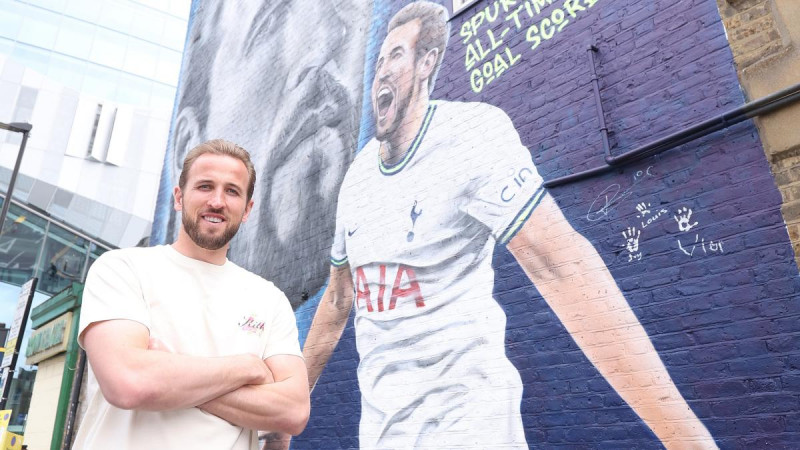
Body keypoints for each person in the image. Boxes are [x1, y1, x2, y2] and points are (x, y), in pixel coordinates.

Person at [303, 2, 717, 449]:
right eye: (380, 59)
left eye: (397, 56)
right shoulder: (357, 178)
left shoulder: (472, 135)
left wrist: (685, 439)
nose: (381, 71)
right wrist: (288, 408)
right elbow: (339, 298)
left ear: (427, 63)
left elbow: (559, 263)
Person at [75, 140, 310, 449]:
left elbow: (293, 411)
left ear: (247, 209)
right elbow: (128, 383)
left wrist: (167, 375)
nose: (217, 201)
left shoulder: (270, 300)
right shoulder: (122, 269)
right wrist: (247, 368)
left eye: (232, 191)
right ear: (178, 197)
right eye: (204, 186)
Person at [153, 0, 373, 309]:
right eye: (271, 20)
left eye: (345, 17)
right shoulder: (130, 278)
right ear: (188, 143)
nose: (330, 40)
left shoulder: (270, 310)